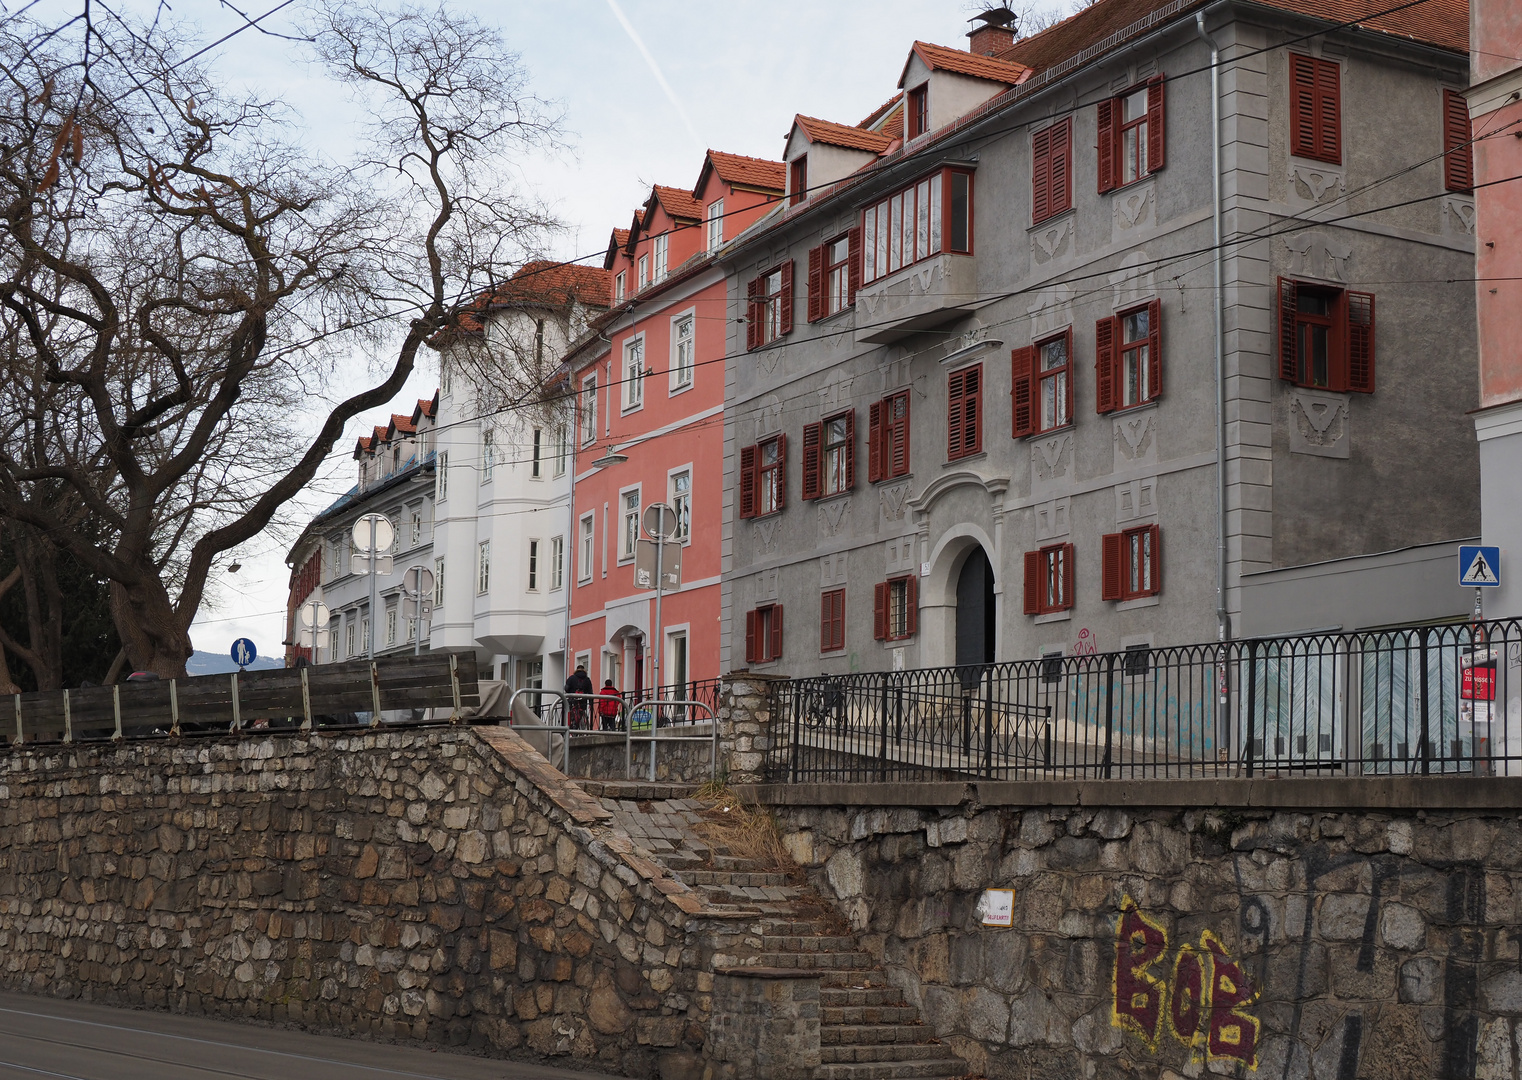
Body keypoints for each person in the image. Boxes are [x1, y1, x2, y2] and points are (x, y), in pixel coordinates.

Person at [564, 664, 593, 729]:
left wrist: (569, 693)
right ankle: (583, 726)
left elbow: (566, 688)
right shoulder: (587, 679)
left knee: (571, 713)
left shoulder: (571, 678)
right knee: (581, 712)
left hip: (573, 700)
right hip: (583, 701)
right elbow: (590, 691)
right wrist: (591, 703)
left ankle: (571, 725)